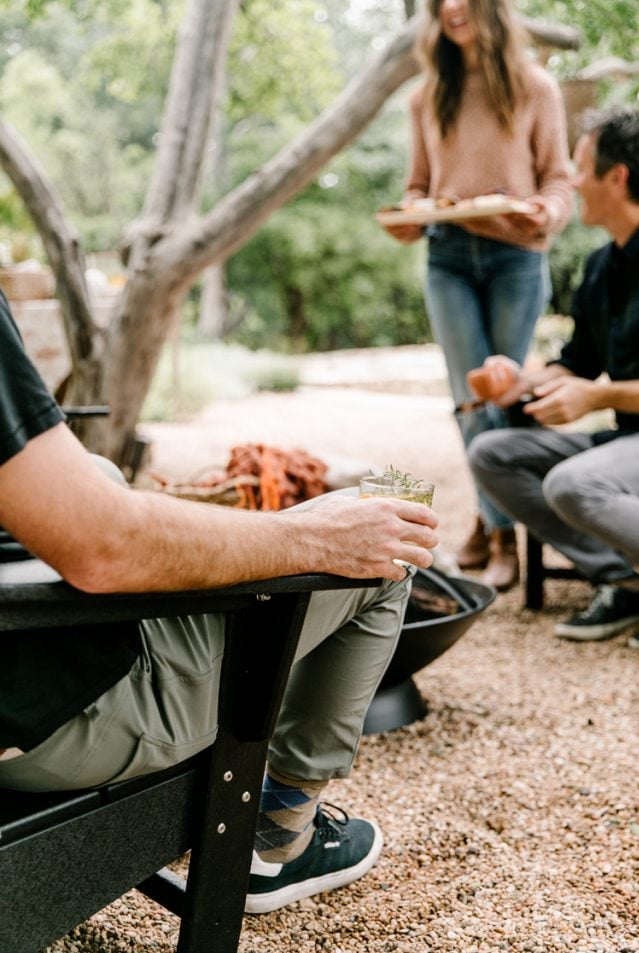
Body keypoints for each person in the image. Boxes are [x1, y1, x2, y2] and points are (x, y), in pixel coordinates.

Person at [0, 292, 439, 913]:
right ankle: (282, 835)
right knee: (384, 552)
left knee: (95, 468)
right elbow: (105, 549)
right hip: (44, 716)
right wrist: (315, 536)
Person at [468, 106, 639, 651]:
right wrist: (516, 382)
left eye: (580, 166)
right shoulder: (599, 268)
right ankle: (623, 581)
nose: (571, 179)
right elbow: (578, 365)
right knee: (492, 453)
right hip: (633, 441)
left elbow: (598, 386)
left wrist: (600, 395)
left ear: (618, 176)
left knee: (573, 482)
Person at [381, 0, 573, 592]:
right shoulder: (426, 95)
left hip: (516, 255)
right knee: (469, 397)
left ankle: (491, 527)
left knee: (501, 391)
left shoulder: (535, 86)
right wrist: (412, 211)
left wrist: (546, 209)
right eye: (441, 3)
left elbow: (559, 180)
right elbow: (418, 185)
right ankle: (501, 535)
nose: (452, 8)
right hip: (448, 256)